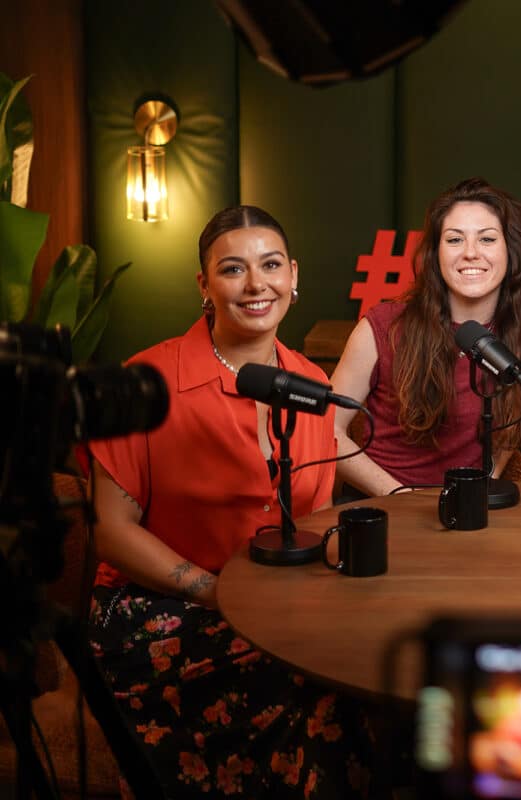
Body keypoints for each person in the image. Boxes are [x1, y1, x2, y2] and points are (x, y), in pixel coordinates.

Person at [88, 206, 381, 798]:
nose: (255, 284)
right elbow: (110, 530)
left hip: (275, 611)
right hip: (160, 608)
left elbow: (314, 521)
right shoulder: (144, 381)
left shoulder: (311, 385)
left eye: (270, 266)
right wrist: (215, 592)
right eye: (232, 269)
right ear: (205, 284)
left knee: (363, 666)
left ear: (293, 276)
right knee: (313, 684)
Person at [331, 177, 521, 496]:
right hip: (386, 505)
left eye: (487, 239)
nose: (470, 253)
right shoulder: (383, 327)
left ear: (511, 250)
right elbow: (327, 429)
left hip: (468, 509)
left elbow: (509, 428)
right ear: (435, 253)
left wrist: (479, 489)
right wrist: (399, 497)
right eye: (454, 240)